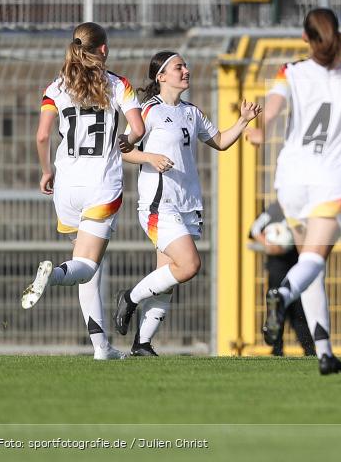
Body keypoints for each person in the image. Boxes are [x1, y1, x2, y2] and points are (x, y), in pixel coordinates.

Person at [252, 8, 341, 375]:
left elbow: (270, 112)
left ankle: (324, 353)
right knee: (313, 262)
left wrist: (258, 132)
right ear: (337, 35)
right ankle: (281, 297)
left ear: (305, 39)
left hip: (291, 179)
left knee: (312, 267)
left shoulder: (290, 71)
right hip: (331, 178)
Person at [111, 51, 261, 355]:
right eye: (179, 67)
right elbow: (124, 150)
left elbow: (219, 141)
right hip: (159, 204)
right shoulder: (147, 111)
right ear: (161, 76)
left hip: (188, 204)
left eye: (186, 66)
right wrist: (150, 157)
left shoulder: (192, 112)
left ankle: (142, 344)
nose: (186, 71)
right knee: (190, 265)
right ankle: (129, 297)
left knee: (168, 276)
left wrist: (243, 121)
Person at [21, 22, 144, 361]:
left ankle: (101, 348)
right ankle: (54, 275)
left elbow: (43, 136)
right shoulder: (118, 84)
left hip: (66, 187)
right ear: (103, 50)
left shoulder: (57, 87)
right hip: (101, 187)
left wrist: (46, 170)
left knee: (88, 264)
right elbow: (138, 128)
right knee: (86, 266)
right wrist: (130, 141)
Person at [250, 204, 315, 357]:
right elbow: (254, 230)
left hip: (296, 263)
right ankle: (277, 349)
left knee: (297, 310)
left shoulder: (304, 211)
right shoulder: (274, 210)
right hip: (277, 266)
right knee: (278, 306)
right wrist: (269, 245)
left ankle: (308, 350)